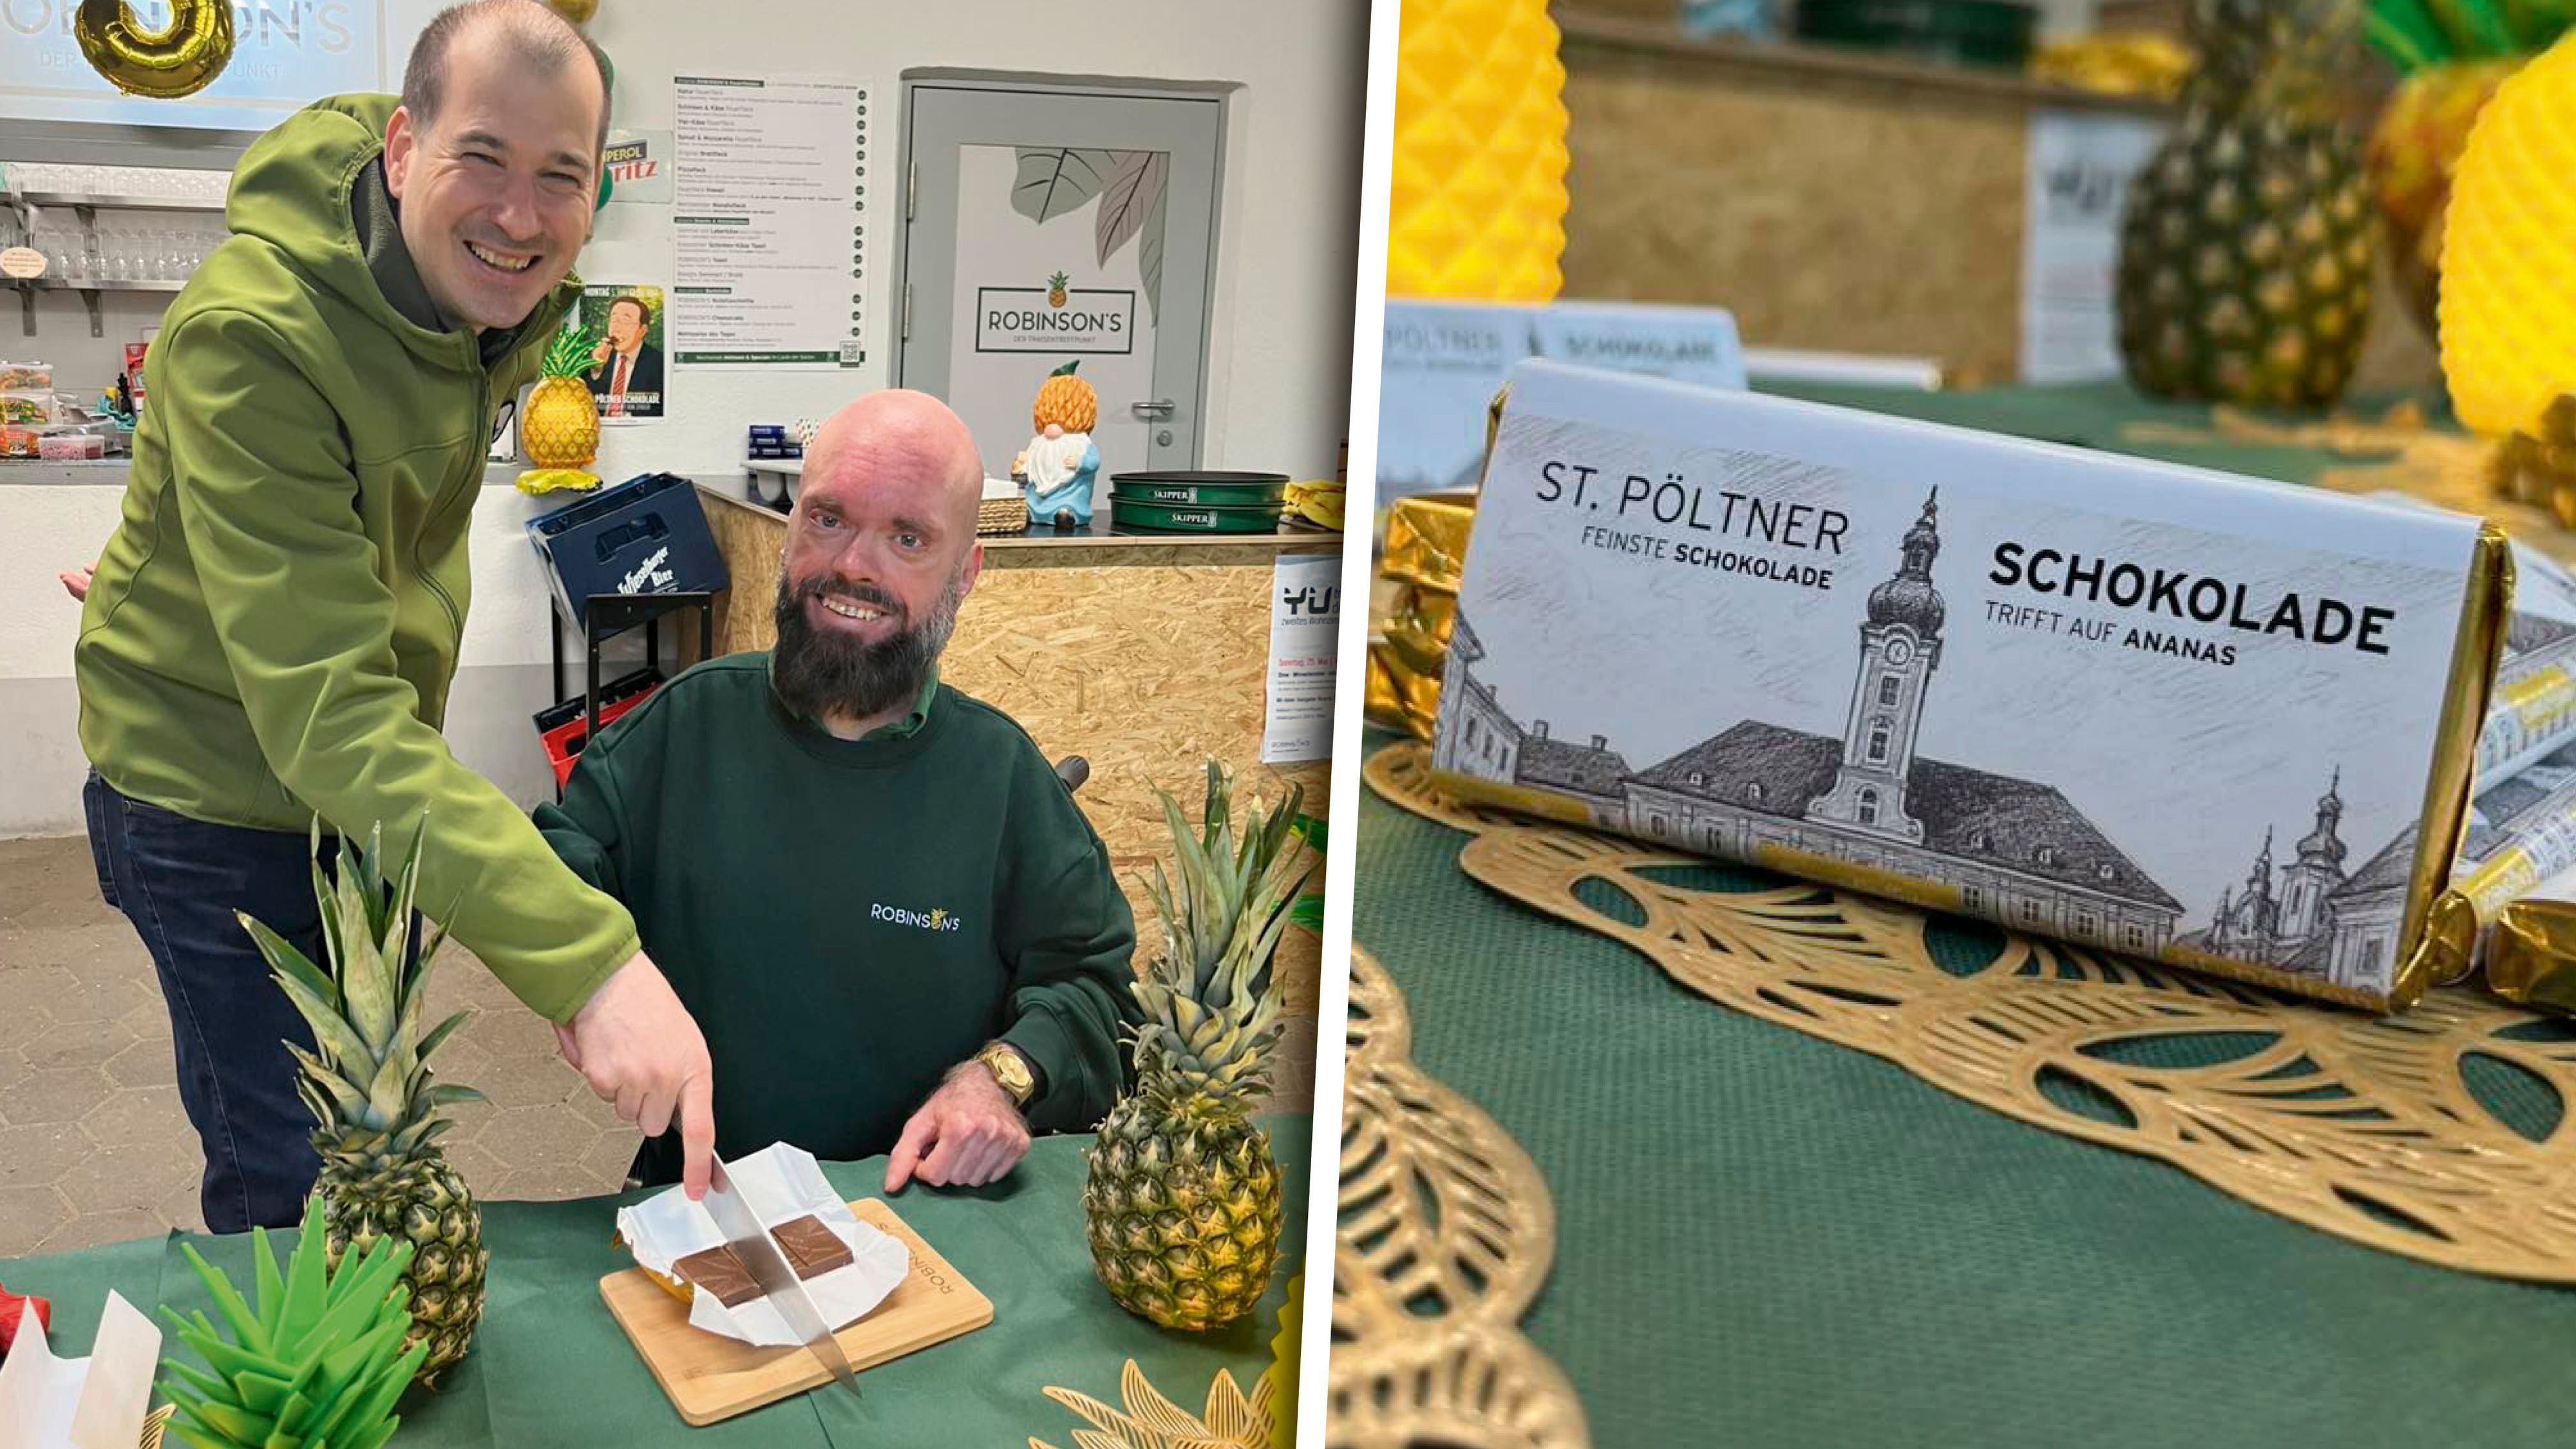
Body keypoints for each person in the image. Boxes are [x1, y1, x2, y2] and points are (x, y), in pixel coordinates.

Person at [71, 0, 718, 1235]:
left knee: (370, 1120)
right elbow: (332, 717)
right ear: (403, 149)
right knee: (298, 1177)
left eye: (560, 178)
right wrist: (590, 966)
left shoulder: (491, 292)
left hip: (351, 795)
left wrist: (198, 567)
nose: (521, 217)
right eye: (482, 158)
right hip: (209, 798)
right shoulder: (254, 334)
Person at [534, 390, 1139, 1191]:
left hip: (928, 1206)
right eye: (828, 519)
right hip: (706, 1201)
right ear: (790, 532)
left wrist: (1000, 1078)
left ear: (966, 574)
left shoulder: (1003, 781)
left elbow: (1096, 990)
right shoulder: (683, 729)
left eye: (908, 537)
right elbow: (544, 874)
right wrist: (591, 977)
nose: (854, 564)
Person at [586, 292, 663, 417]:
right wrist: (596, 368)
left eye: (626, 322)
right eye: (614, 320)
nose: (616, 328)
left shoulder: (659, 364)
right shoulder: (598, 355)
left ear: (642, 330)